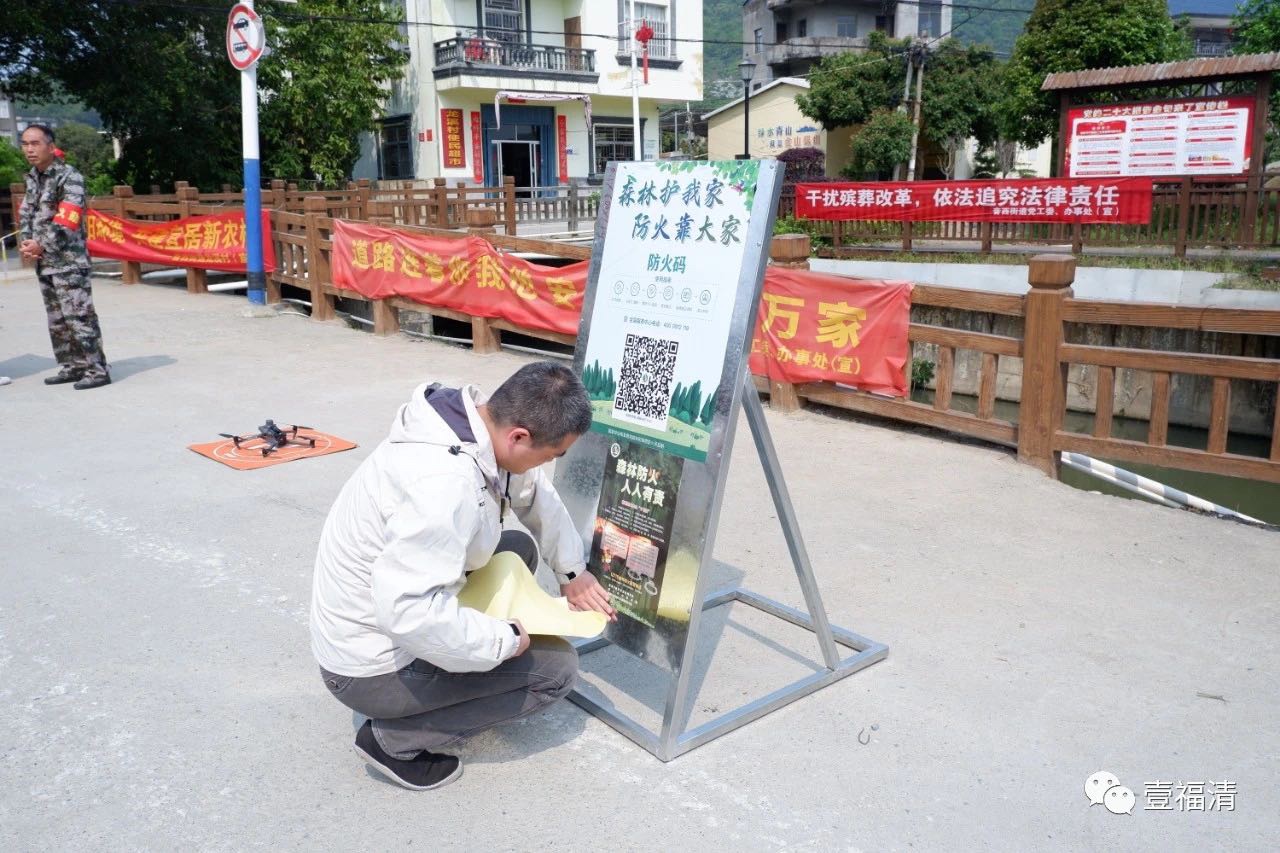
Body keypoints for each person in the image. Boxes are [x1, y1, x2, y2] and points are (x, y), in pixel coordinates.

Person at [310, 361, 615, 791]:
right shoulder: (443, 486)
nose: (549, 464)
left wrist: (572, 571)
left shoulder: (471, 423)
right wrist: (502, 640)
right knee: (556, 671)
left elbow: (531, 491)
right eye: (551, 455)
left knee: (516, 549)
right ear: (519, 436)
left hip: (380, 614)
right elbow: (407, 613)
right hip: (369, 667)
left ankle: (449, 676)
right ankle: (394, 740)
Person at [18, 124, 111, 390]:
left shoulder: (69, 176)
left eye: (35, 143)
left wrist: (41, 244)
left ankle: (97, 369)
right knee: (58, 320)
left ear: (50, 146)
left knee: (79, 316)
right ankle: (73, 366)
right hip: (45, 262)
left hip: (69, 261)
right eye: (25, 144)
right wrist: (28, 242)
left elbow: (68, 218)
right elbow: (27, 213)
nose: (29, 149)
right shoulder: (33, 177)